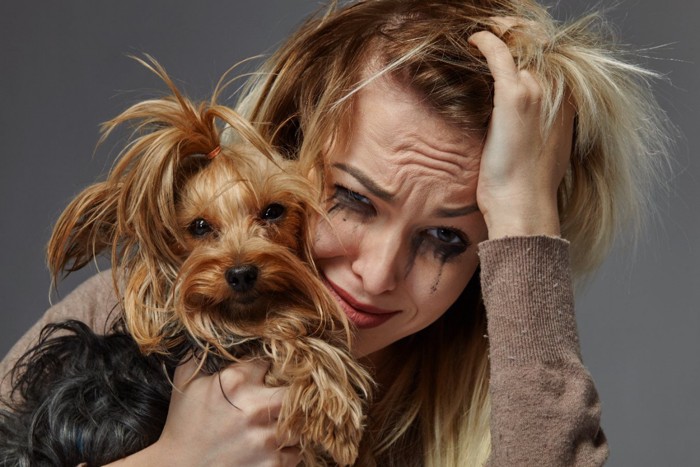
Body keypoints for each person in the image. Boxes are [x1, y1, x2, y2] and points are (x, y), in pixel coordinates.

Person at [0, 0, 669, 465]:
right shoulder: (131, 309)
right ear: (284, 150)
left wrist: (527, 218)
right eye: (352, 199)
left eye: (447, 239)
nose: (378, 274)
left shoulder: (510, 398)